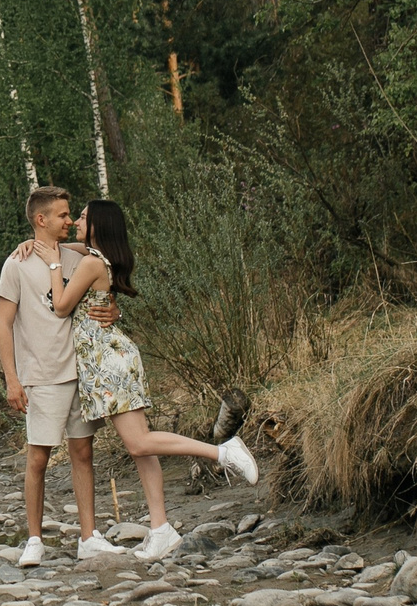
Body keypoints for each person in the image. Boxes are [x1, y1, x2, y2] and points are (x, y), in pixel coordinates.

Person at [28, 197, 258, 562]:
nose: (75, 222)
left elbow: (60, 305)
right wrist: (38, 244)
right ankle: (161, 529)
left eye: (83, 217)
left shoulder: (89, 263)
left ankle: (223, 451)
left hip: (108, 362)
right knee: (143, 449)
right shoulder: (95, 257)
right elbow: (63, 245)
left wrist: (53, 262)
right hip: (110, 358)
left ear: (99, 226)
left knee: (139, 443)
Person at [0, 185, 120, 565]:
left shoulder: (76, 256)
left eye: (71, 215)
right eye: (64, 215)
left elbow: (106, 280)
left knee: (83, 453)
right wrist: (12, 380)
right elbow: (3, 326)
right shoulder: (16, 263)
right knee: (38, 458)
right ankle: (34, 539)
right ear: (41, 220)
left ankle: (89, 536)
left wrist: (114, 311)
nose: (69, 221)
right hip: (42, 375)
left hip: (81, 372)